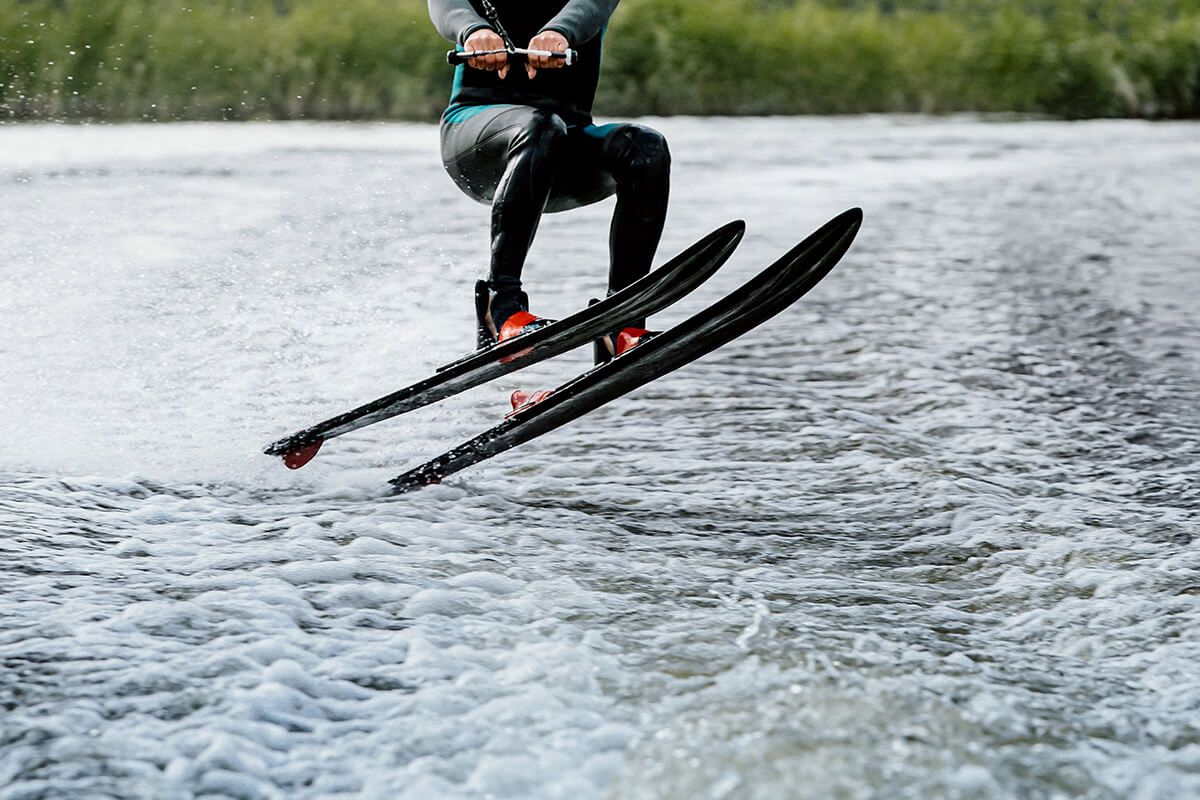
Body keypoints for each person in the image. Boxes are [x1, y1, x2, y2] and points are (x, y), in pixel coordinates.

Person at [428, 0, 670, 360]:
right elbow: (445, 5)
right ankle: (503, 308)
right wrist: (472, 31)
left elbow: (591, 7)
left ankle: (622, 320)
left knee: (646, 149)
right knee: (541, 125)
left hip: (564, 149)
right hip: (475, 140)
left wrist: (559, 33)